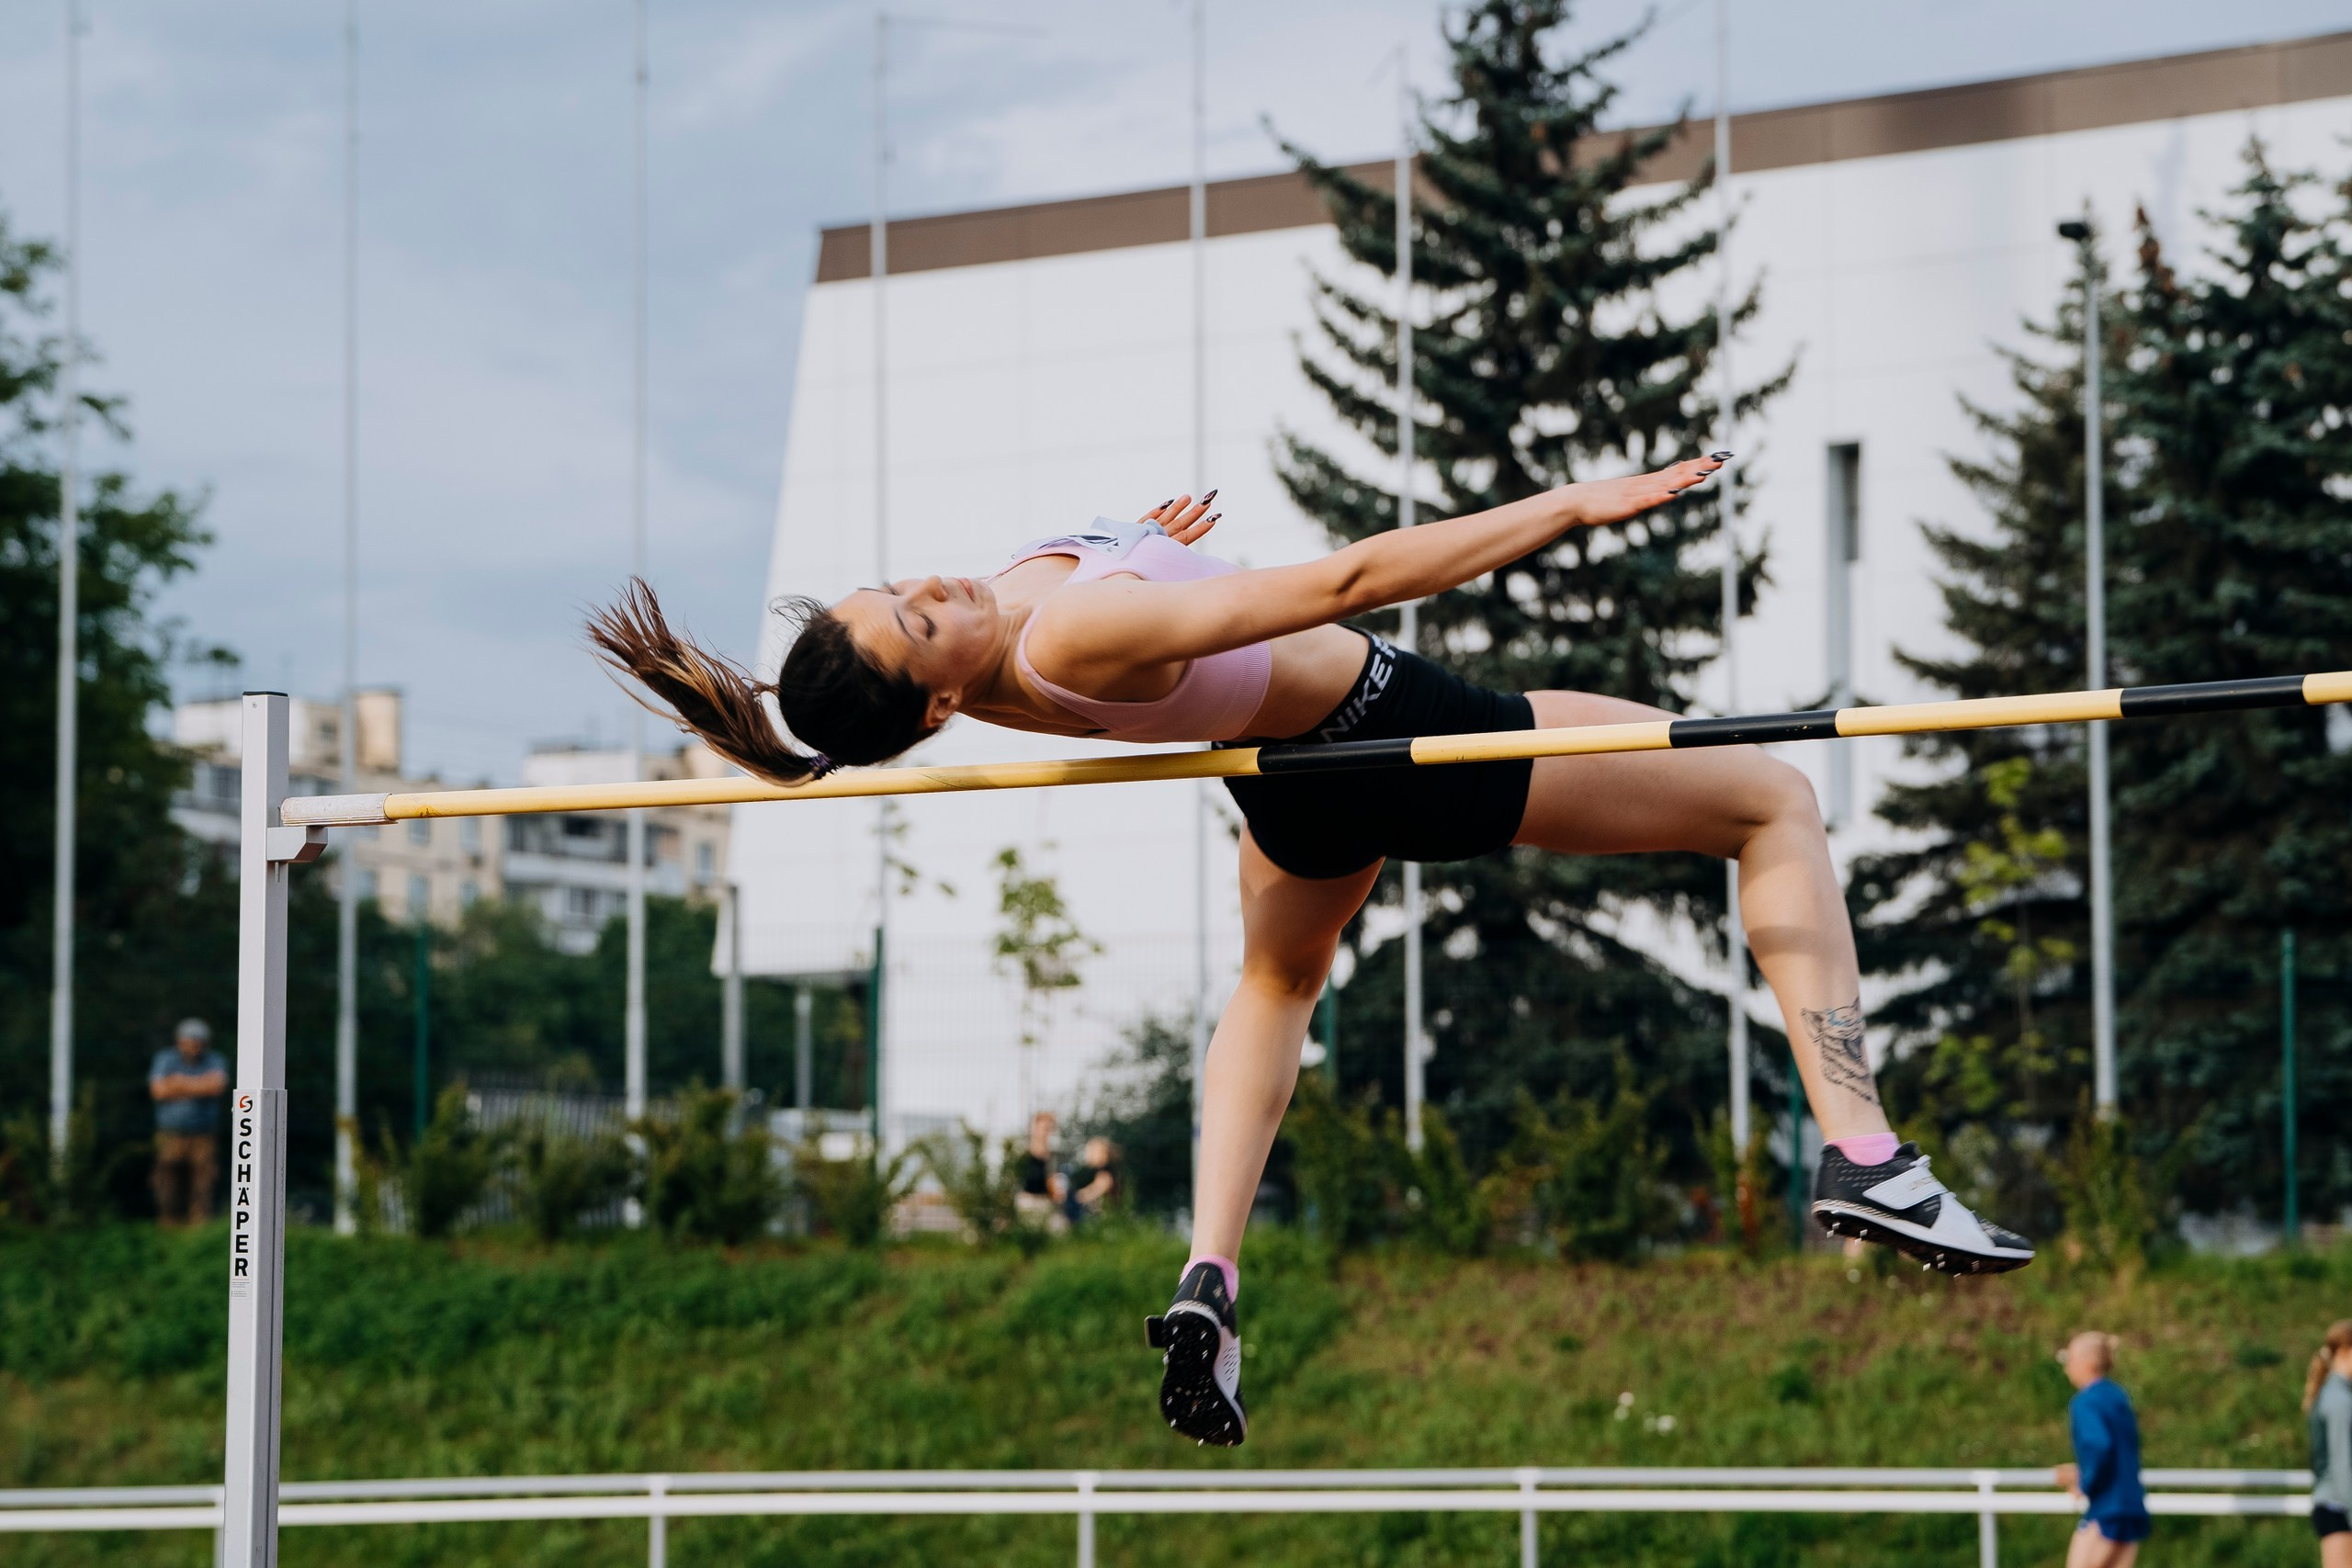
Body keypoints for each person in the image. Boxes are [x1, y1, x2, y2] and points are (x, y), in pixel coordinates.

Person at [589, 457, 2035, 1447]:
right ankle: (1864, 1148)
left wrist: (1151, 550)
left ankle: (1209, 1276)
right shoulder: (1075, 638)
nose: (938, 586)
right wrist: (1569, 505)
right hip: (1395, 728)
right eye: (920, 619)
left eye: (898, 583)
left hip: (1287, 777)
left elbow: (1119, 616)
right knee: (1770, 797)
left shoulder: (1009, 642)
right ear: (938, 708)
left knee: (1279, 980)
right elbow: (1348, 578)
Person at [2054, 1330, 2150, 1566]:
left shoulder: (2086, 1401)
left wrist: (2084, 1482)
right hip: (2131, 1506)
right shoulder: (2118, 1396)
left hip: (2107, 1509)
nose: (2067, 1368)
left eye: (2069, 1358)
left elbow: (2099, 1445)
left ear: (2088, 1363)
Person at [151, 1018, 228, 1226]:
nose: (193, 1047)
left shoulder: (215, 1059)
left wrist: (178, 1083)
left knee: (204, 1179)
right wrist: (200, 1085)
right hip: (170, 1132)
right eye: (189, 1043)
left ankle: (198, 1226)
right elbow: (159, 1091)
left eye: (198, 1043)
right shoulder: (165, 1058)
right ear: (179, 1042)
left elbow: (216, 1086)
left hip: (204, 1132)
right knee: (168, 1178)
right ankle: (169, 1223)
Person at [2305, 1320, 2352, 1563]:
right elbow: (2342, 1463)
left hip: (2336, 1503)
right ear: (2344, 1351)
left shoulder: (2335, 1393)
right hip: (2340, 1505)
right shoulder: (2339, 1400)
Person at [1015, 1111, 1067, 1230]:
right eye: (1044, 1128)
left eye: (1050, 1129)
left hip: (1046, 1202)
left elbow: (1055, 1182)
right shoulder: (1022, 1154)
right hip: (1027, 1202)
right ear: (1035, 1129)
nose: (1047, 1133)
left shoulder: (1053, 1157)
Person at [1064, 1135, 1121, 1225]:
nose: (1089, 1155)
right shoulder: (1100, 1173)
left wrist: (1078, 1196)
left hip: (1104, 1217)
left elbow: (1093, 1192)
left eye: (1093, 1152)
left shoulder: (1105, 1174)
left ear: (1103, 1154)